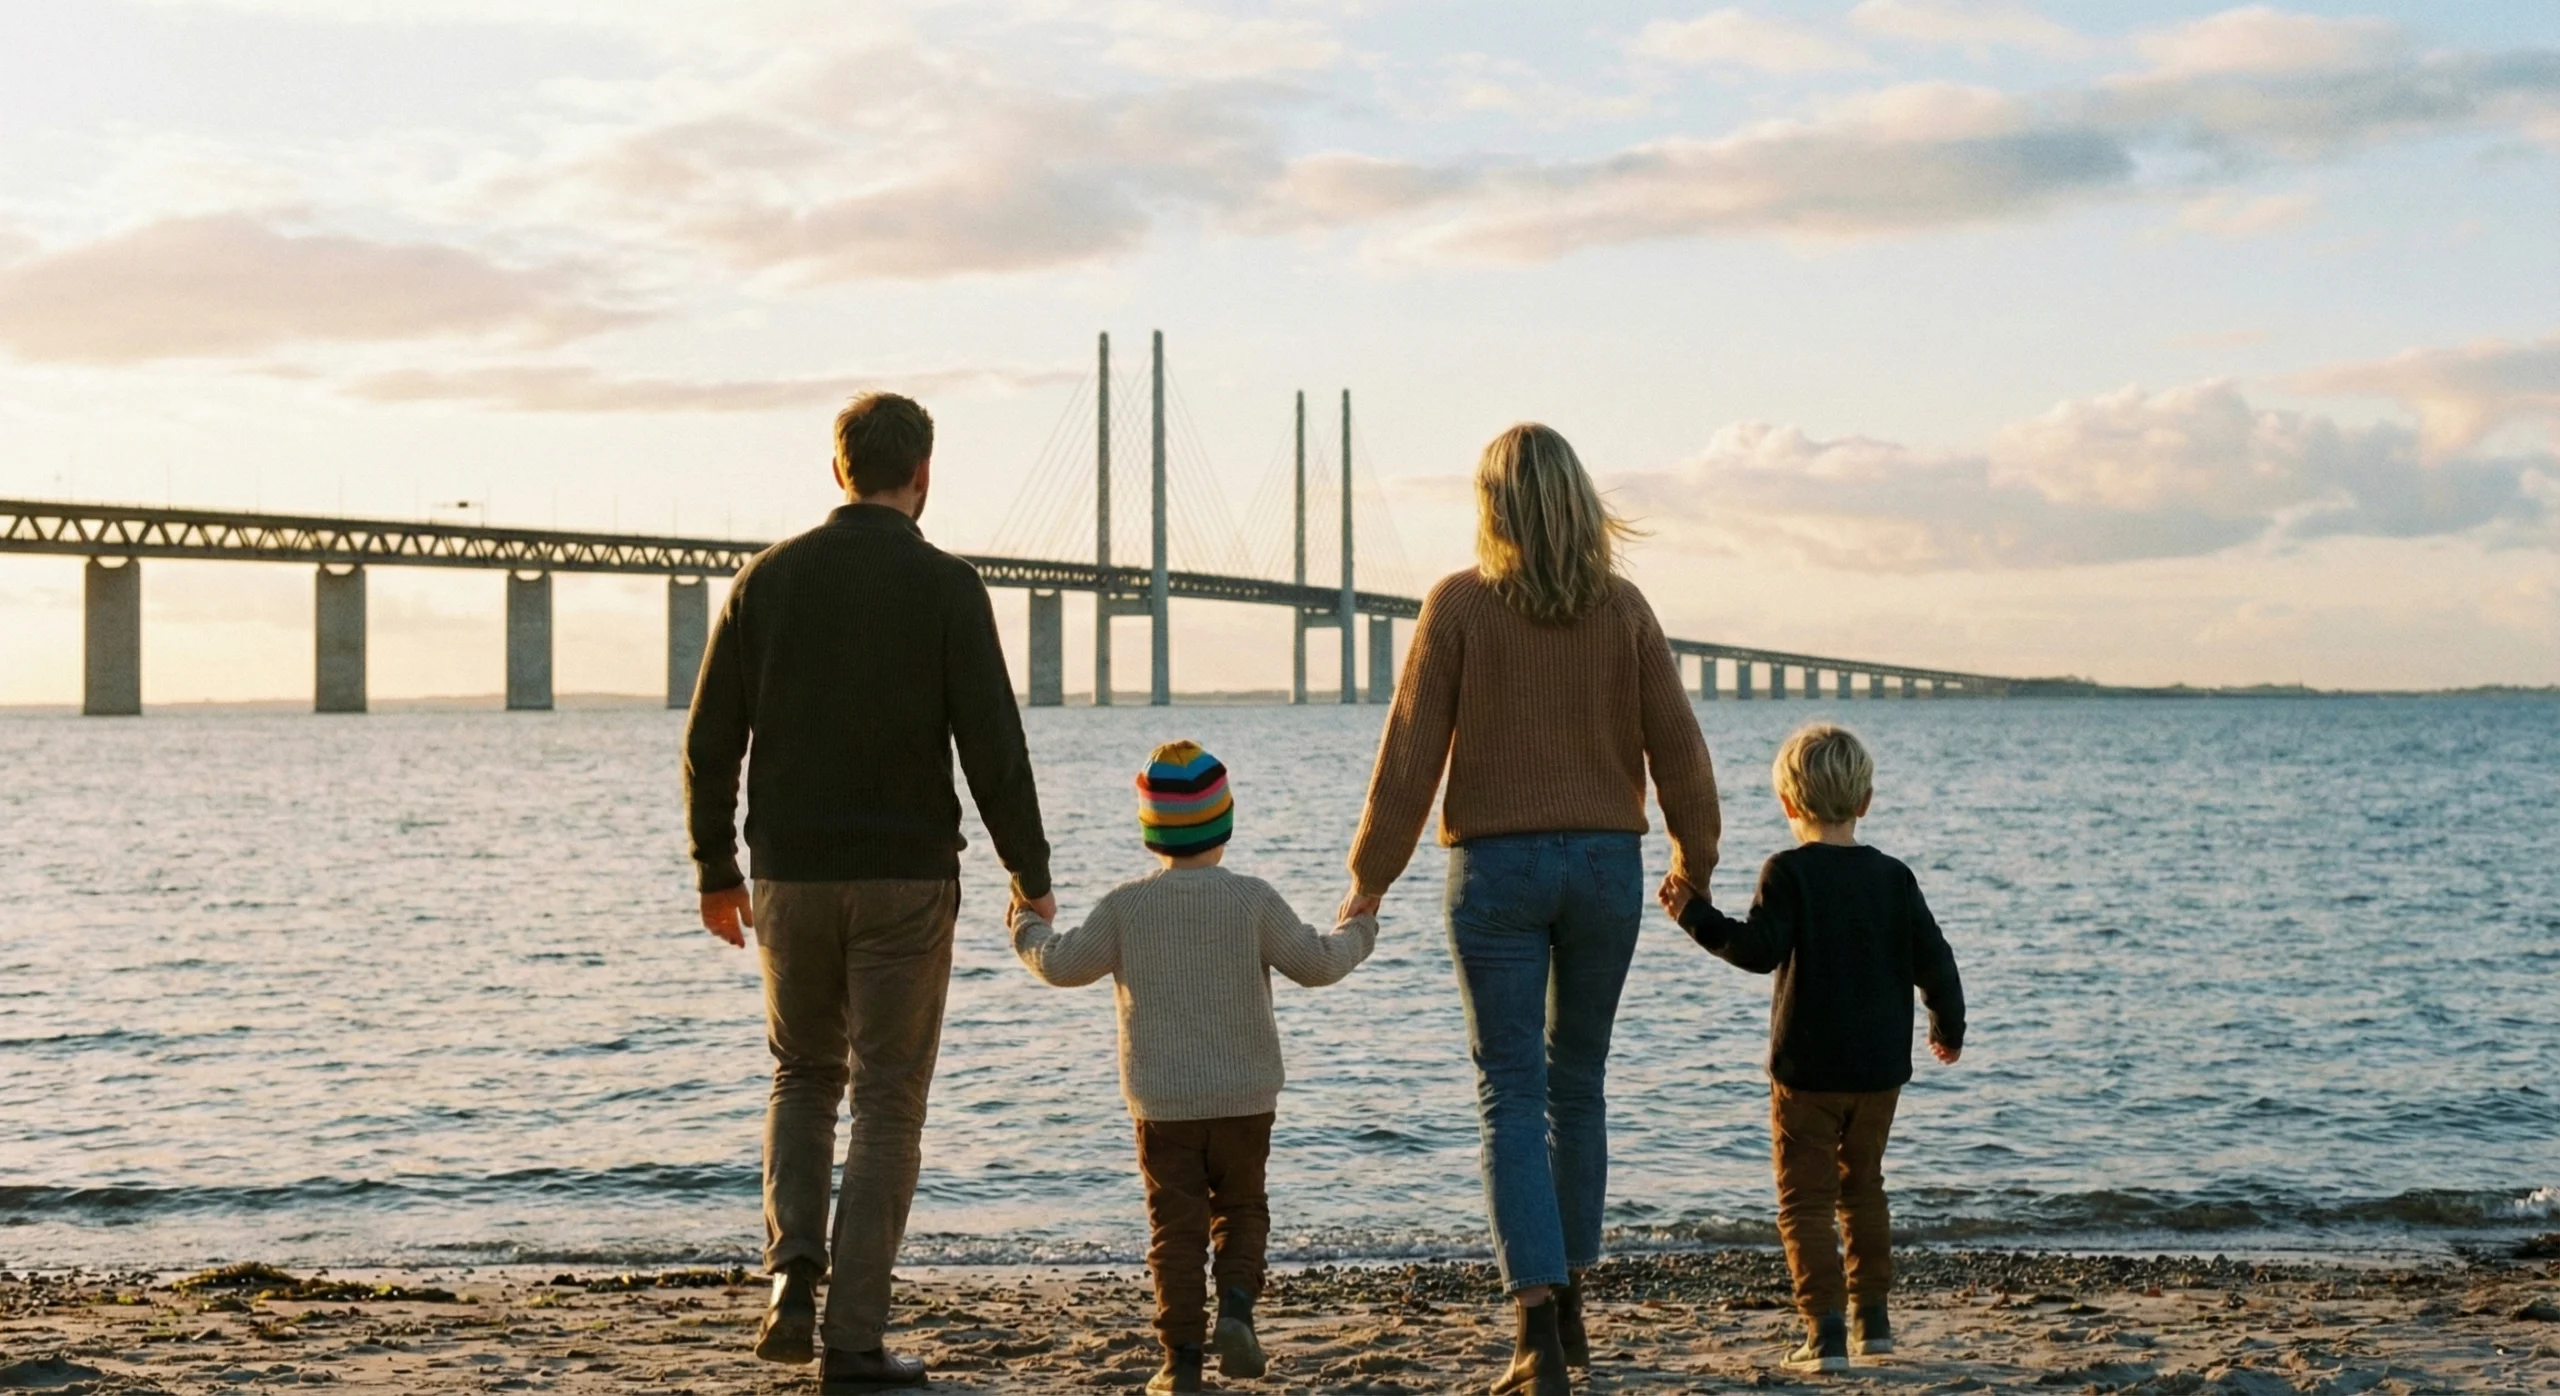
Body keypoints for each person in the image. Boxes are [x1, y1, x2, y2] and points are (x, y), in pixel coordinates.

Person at [682, 392, 1054, 1389]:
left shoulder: (766, 580)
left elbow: (709, 741)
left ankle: (789, 1280)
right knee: (888, 1102)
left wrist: (715, 869)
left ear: (835, 469)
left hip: (789, 878)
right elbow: (993, 746)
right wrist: (1031, 870)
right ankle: (851, 1339)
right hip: (906, 878)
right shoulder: (946, 587)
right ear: (922, 475)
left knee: (803, 1075)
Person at [1343, 423, 1720, 1396]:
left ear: (1491, 509)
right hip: (1605, 866)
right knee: (1578, 1083)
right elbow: (1678, 748)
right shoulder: (1623, 605)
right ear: (1580, 501)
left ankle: (1536, 1334)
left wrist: (1370, 876)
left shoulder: (1458, 604)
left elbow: (1409, 756)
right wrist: (1697, 860)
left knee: (1510, 1092)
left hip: (1497, 873)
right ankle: (1576, 1312)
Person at [1011, 740, 1376, 1394]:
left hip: (1164, 1106)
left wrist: (1024, 927)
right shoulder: (1252, 899)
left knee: (1173, 1230)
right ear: (1226, 822)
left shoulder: (1127, 905)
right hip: (1246, 1098)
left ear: (1150, 831)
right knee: (1242, 1209)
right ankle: (1236, 1309)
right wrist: (1360, 928)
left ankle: (1179, 1362)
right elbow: (1318, 964)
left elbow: (1063, 965)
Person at [1660, 723, 1965, 1373]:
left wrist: (1694, 916)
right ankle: (1873, 1324)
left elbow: (1757, 949)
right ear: (1866, 801)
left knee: (1804, 1200)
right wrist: (1947, 1028)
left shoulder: (1787, 872)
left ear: (1788, 805)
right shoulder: (1893, 877)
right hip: (1880, 1072)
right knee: (1865, 1190)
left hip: (1805, 1072)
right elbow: (1935, 961)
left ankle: (1824, 1331)